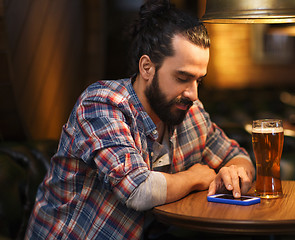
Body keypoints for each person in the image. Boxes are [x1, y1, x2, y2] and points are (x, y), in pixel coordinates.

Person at [25, 0, 255, 239]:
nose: (193, 94)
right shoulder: (102, 103)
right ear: (147, 67)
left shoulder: (191, 112)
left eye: (199, 80)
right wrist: (196, 177)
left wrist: (235, 173)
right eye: (182, 77)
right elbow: (138, 190)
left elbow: (236, 156)